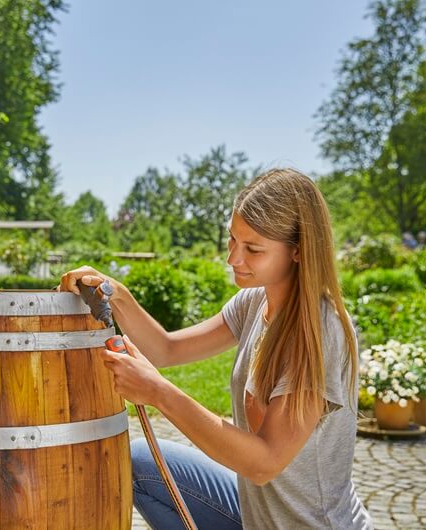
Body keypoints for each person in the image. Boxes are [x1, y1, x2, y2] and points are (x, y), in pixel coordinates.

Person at [58, 168, 373, 530]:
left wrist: (158, 392)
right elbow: (166, 350)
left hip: (311, 525)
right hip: (255, 518)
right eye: (232, 241)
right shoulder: (254, 303)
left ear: (298, 251)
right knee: (142, 462)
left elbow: (264, 463)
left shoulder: (321, 328)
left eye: (253, 249)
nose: (233, 259)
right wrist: (118, 294)